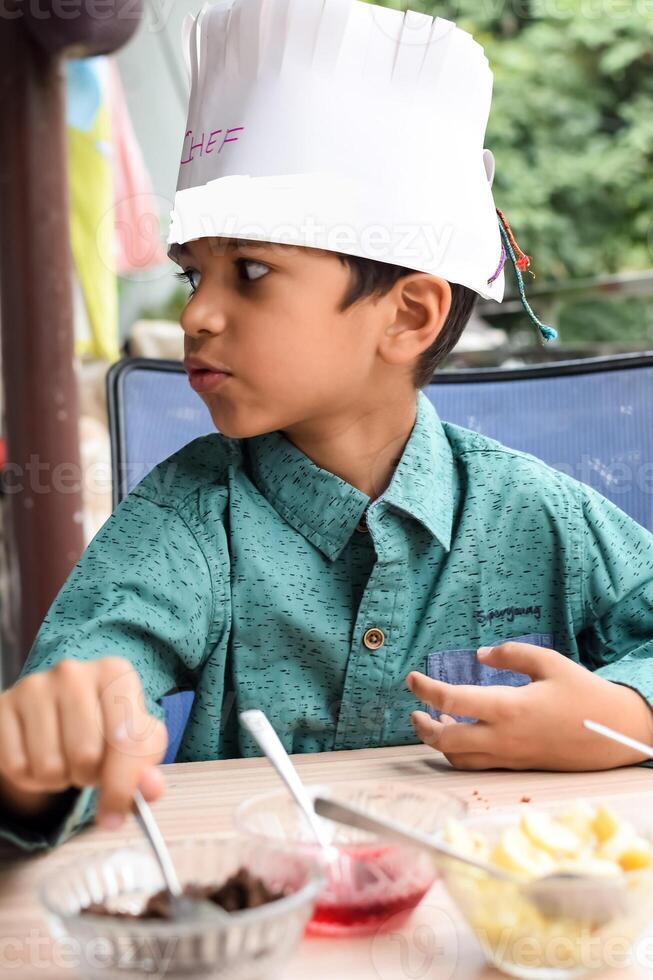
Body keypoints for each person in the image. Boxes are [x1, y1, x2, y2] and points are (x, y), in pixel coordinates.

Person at [1, 0, 652, 853]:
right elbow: (90, 672)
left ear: (408, 316)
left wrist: (623, 714)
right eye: (194, 272)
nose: (197, 314)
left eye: (253, 271)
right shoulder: (189, 518)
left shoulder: (537, 514)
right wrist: (43, 760)